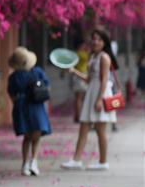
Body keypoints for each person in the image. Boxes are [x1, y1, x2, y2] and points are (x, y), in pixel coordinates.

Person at [62, 29, 119, 171]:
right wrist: (74, 71)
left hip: (100, 93)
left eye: (99, 39)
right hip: (91, 91)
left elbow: (104, 79)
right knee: (83, 127)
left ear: (104, 42)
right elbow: (89, 79)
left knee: (100, 131)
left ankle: (103, 161)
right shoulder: (93, 56)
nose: (95, 42)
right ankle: (76, 160)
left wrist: (99, 99)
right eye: (94, 39)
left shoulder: (104, 57)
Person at [7, 47, 51, 176]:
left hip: (21, 106)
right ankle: (34, 162)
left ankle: (25, 164)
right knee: (36, 136)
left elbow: (11, 93)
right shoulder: (37, 71)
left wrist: (18, 102)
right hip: (36, 105)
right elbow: (46, 84)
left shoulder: (14, 76)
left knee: (27, 137)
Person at [71, 35, 90, 123]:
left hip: (76, 76)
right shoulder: (82, 53)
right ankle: (79, 116)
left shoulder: (75, 53)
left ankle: (77, 115)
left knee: (77, 98)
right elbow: (89, 57)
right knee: (81, 98)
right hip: (81, 75)